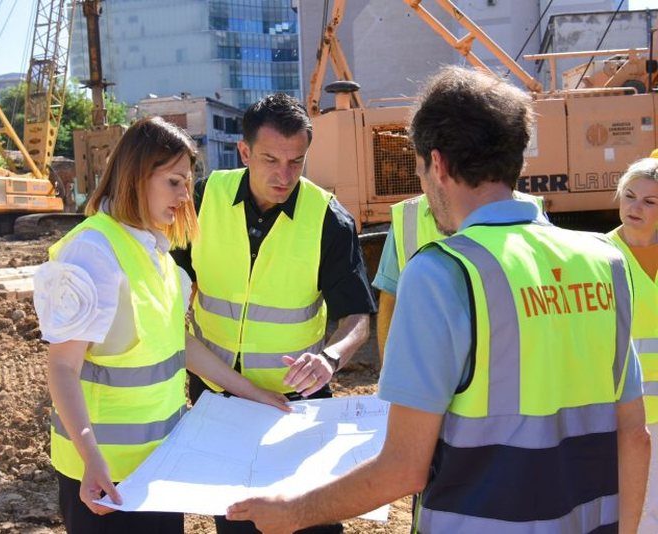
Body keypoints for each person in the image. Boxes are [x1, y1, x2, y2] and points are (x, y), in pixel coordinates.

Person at [226, 66, 650, 534]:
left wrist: (291, 513)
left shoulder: (442, 272)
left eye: (421, 169)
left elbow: (403, 467)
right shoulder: (604, 260)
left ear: (439, 164)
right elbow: (634, 437)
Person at [33, 117, 288, 534]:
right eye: (174, 182)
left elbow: (177, 344)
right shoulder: (93, 250)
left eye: (187, 182)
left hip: (161, 463)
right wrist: (92, 459)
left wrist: (252, 392)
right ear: (136, 175)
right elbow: (62, 367)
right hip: (106, 479)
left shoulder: (155, 250)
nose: (186, 195)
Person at [172, 93, 376, 533]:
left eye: (296, 162)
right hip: (218, 395)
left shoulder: (329, 221)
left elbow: (358, 317)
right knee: (236, 518)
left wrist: (330, 357)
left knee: (309, 522)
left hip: (295, 403)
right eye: (270, 160)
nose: (284, 175)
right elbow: (169, 285)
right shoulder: (204, 200)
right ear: (244, 151)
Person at [374, 191, 546, 364]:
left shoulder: (536, 211)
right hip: (436, 371)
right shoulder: (408, 216)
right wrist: (388, 371)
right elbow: (390, 300)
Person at [606, 157, 658, 534]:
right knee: (635, 517)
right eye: (629, 196)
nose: (635, 207)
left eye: (649, 201)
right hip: (626, 415)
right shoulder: (595, 257)